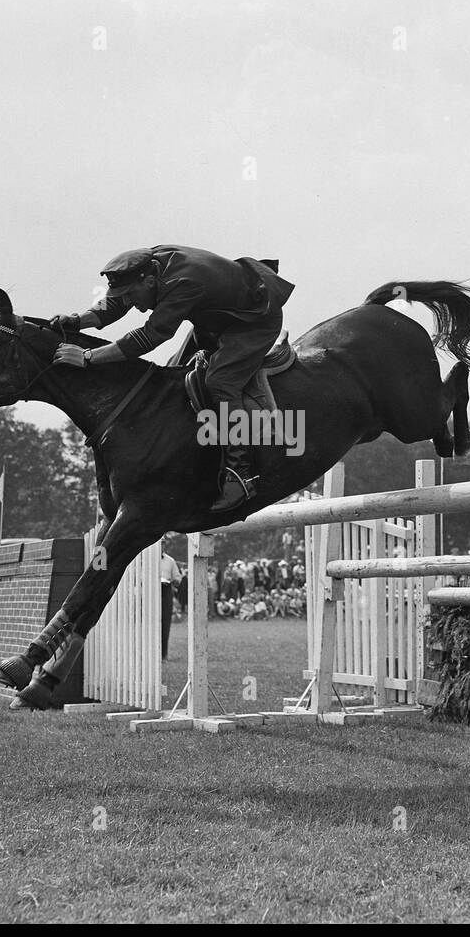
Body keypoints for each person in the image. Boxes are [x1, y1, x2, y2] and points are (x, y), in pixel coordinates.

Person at [48, 245, 294, 511]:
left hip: (254, 323)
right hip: (216, 316)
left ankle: (240, 473)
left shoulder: (183, 282)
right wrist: (75, 321)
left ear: (151, 281)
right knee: (173, 371)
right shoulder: (142, 270)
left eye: (132, 295)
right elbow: (113, 303)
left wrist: (87, 357)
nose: (130, 302)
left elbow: (149, 337)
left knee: (219, 382)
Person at [159, 546, 182, 661]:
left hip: (166, 591)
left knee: (165, 623)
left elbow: (177, 577)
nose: (161, 545)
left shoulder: (170, 560)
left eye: (162, 543)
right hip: (152, 590)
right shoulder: (147, 560)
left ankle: (163, 654)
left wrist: (176, 581)